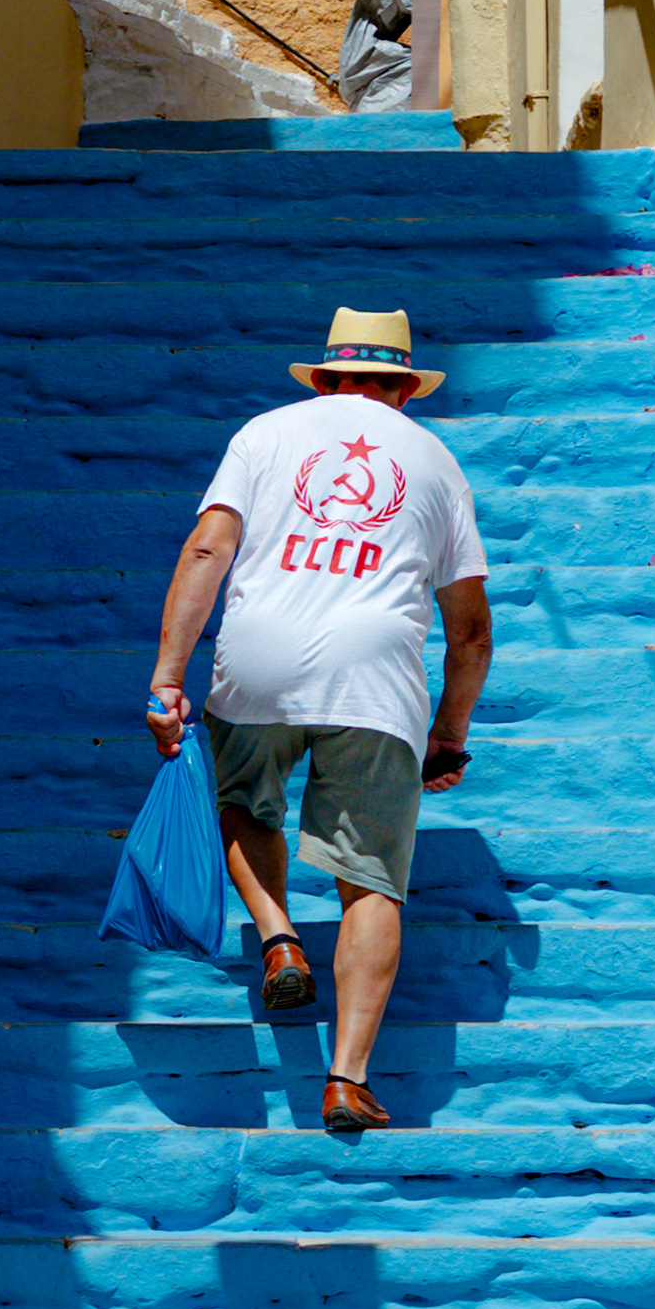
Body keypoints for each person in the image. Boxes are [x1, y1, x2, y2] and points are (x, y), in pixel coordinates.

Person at [144, 303, 490, 1138]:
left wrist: (167, 676)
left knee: (243, 801)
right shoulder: (436, 461)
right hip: (377, 679)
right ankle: (347, 1079)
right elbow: (469, 631)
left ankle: (278, 938)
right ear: (403, 390)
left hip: (258, 658)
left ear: (327, 377)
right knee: (369, 880)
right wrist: (448, 733)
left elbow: (205, 552)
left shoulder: (264, 434)